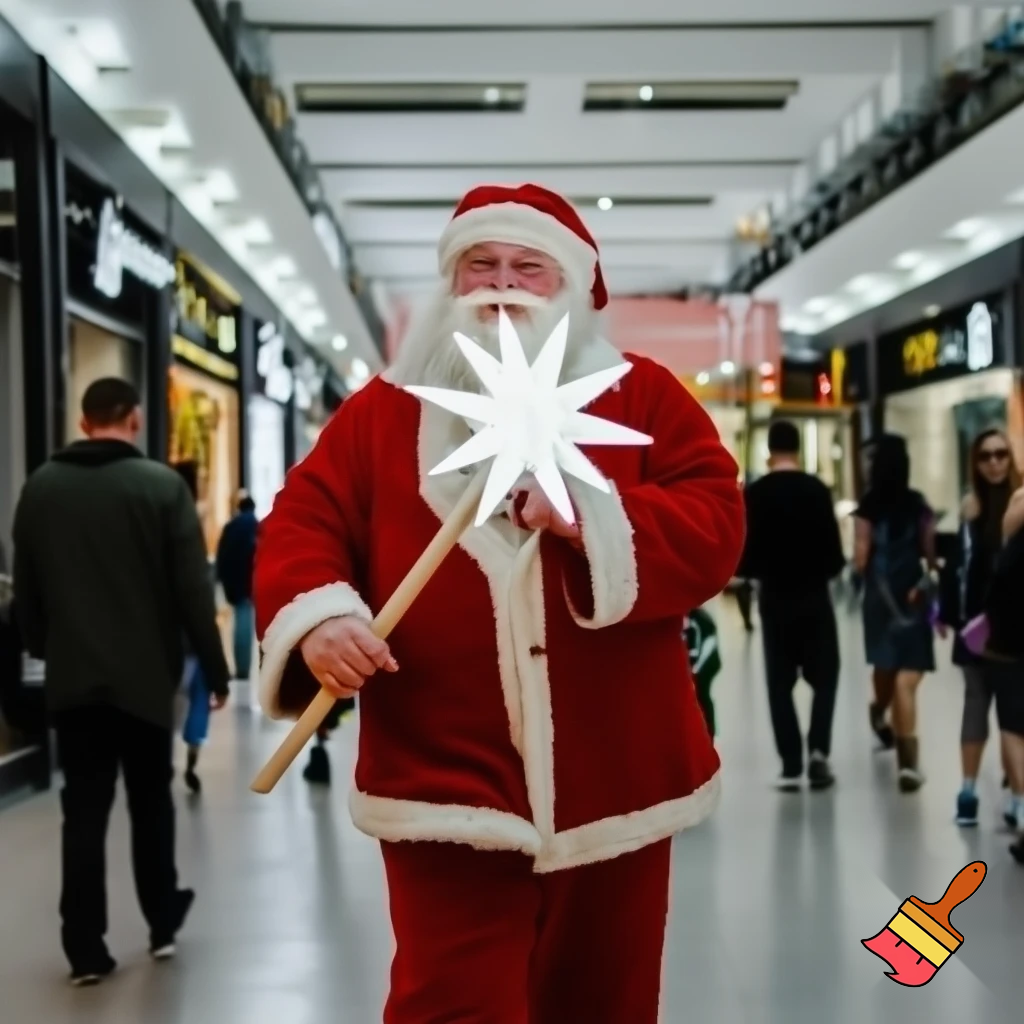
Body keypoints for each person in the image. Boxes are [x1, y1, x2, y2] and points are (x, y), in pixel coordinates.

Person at [253, 182, 745, 1022]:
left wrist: (592, 515)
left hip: (614, 773)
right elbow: (305, 521)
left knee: (603, 999)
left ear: (577, 289)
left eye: (530, 268)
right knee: (452, 1001)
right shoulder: (383, 414)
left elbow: (715, 515)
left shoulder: (644, 397)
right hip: (443, 775)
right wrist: (322, 615)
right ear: (452, 288)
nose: (504, 285)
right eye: (481, 267)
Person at [12, 378, 230, 985]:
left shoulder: (42, 489)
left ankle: (84, 949)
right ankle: (161, 921)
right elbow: (192, 592)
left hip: (74, 680)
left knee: (81, 810)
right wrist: (215, 670)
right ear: (135, 419)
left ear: (84, 423)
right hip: (144, 682)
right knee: (149, 803)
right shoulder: (162, 488)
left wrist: (40, 646)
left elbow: (26, 589)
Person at [737, 420, 846, 791]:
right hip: (815, 597)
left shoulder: (755, 493)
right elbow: (834, 555)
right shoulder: (816, 490)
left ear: (769, 451)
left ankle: (790, 763)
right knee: (826, 676)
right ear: (798, 449)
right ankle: (818, 751)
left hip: (775, 598)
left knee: (779, 683)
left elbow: (744, 554)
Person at [939, 428, 1019, 827]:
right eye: (985, 456)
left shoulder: (1019, 505)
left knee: (1013, 717)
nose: (994, 463)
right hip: (976, 629)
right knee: (975, 706)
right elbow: (959, 571)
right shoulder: (970, 510)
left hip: (1013, 632)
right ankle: (968, 790)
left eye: (1001, 454)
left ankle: (1014, 795)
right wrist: (948, 614)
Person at [854, 433, 937, 793]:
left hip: (878, 599)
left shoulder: (867, 505)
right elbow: (930, 556)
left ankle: (879, 712)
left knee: (887, 667)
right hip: (912, 597)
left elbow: (860, 557)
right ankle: (907, 762)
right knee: (908, 676)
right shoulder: (920, 505)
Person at [216, 492, 258, 683]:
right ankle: (244, 668)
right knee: (245, 624)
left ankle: (240, 669)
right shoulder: (257, 526)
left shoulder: (231, 526)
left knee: (239, 624)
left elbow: (222, 556)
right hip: (249, 582)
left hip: (235, 582)